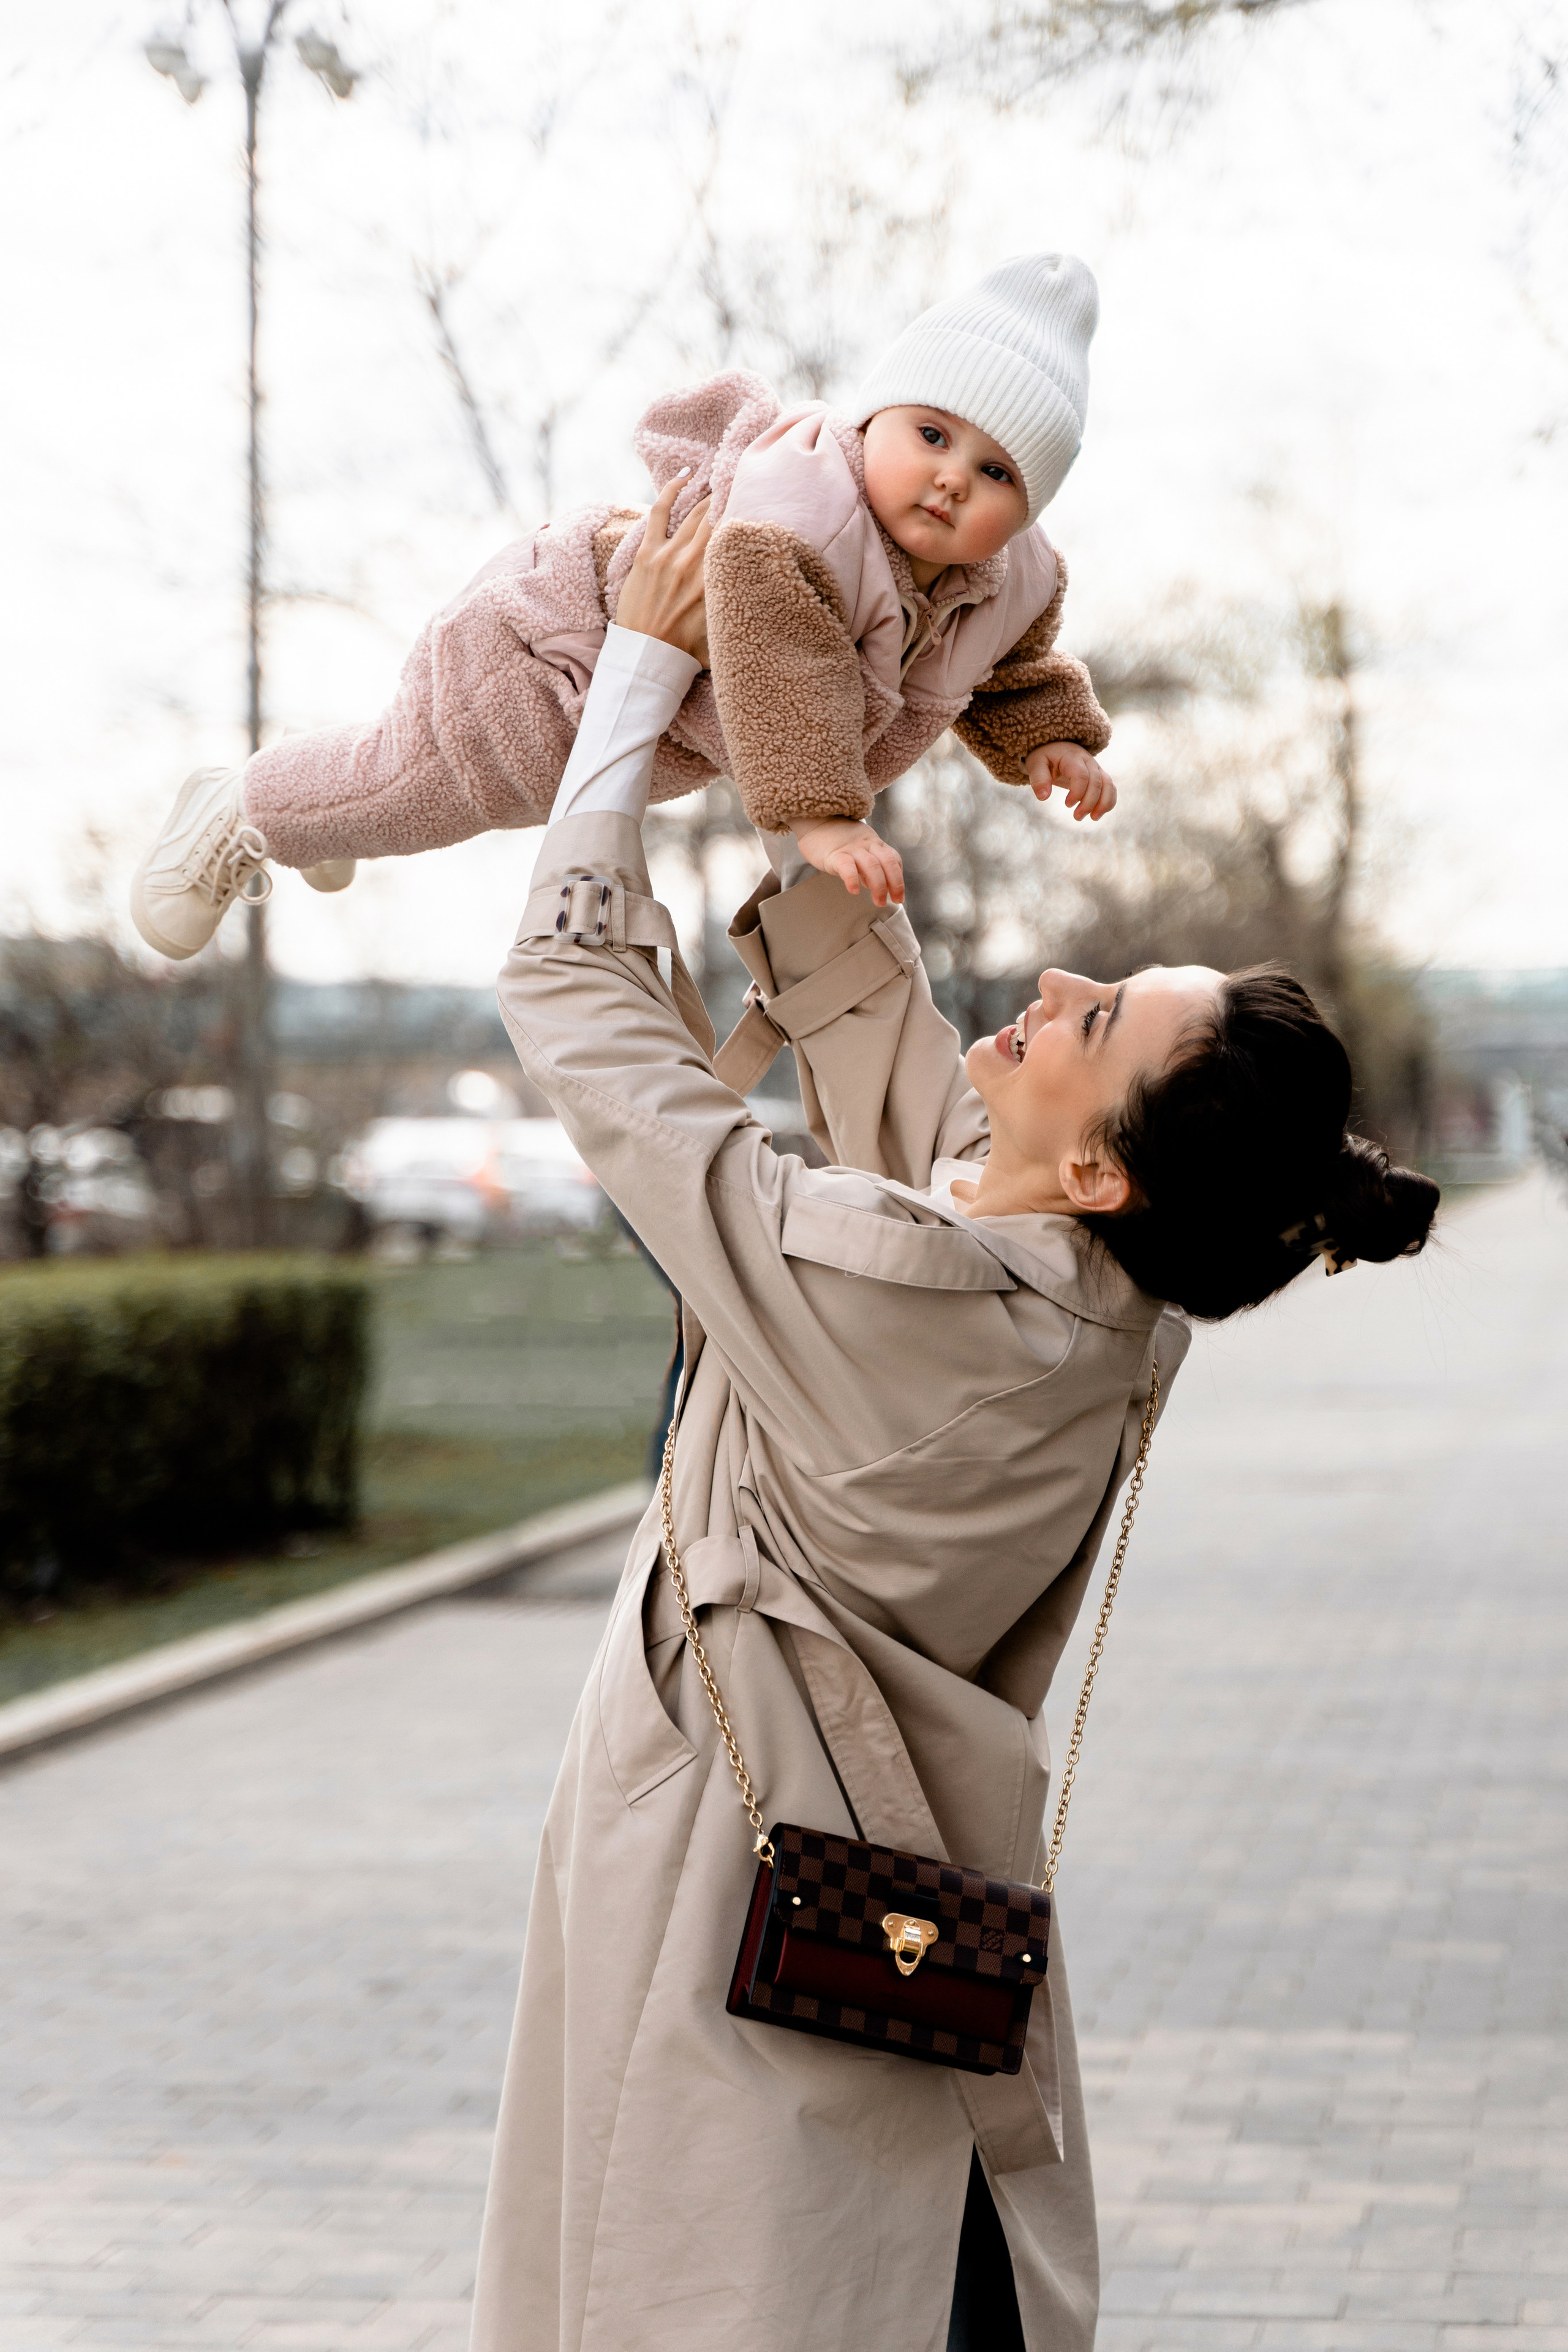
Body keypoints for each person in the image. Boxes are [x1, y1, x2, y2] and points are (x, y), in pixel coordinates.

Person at [465, 488, 1439, 2350]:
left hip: (719, 1881)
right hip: (864, 1894)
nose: (1055, 987)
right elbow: (897, 1063)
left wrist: (643, 674)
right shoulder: (1090, 1300)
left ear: (1100, 1166)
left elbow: (582, 1009)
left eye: (1097, 1020)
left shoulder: (907, 1307)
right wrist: (821, 705)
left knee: (695, 2279)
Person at [130, 254, 1118, 962]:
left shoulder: (1011, 577)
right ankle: (239, 810)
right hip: (556, 655)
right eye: (933, 435)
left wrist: (1048, 737)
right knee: (431, 789)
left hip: (647, 711)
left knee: (405, 790)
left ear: (1030, 507)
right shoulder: (802, 517)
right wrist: (821, 818)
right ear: (875, 416)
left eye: (997, 472)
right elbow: (788, 672)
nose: (952, 479)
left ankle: (331, 806)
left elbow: (1008, 663)